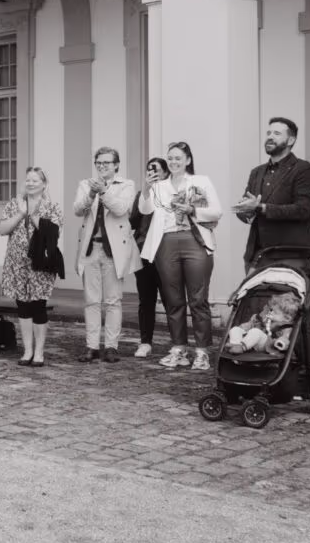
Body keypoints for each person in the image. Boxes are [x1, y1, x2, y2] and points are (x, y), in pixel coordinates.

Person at [233, 116, 310, 377]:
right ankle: (257, 364)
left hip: (293, 254)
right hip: (259, 255)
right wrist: (245, 211)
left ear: (291, 140)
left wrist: (261, 207)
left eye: (277, 133)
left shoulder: (305, 170)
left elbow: (303, 210)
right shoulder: (257, 172)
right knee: (254, 311)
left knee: (298, 314)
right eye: (268, 132)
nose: (270, 137)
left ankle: (307, 370)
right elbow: (249, 212)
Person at [138, 141, 223, 371]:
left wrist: (192, 210)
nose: (174, 162)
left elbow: (216, 211)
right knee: (173, 300)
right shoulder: (159, 186)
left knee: (198, 299)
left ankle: (202, 352)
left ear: (187, 160)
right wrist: (147, 188)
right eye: (171, 158)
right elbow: (145, 210)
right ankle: (179, 349)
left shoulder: (199, 182)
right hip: (166, 242)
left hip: (193, 239)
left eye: (178, 158)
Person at [72, 147, 138, 364]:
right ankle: (91, 346)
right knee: (91, 301)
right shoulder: (85, 184)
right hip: (91, 248)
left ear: (116, 165)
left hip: (113, 250)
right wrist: (92, 193)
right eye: (98, 163)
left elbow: (121, 209)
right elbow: (78, 210)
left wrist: (103, 192)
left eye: (106, 163)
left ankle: (111, 346)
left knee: (113, 301)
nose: (101, 166)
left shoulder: (126, 185)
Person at [0, 166, 64, 367]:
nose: (30, 183)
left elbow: (53, 233)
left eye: (35, 180)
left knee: (38, 306)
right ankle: (27, 351)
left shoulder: (52, 207)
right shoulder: (14, 204)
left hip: (40, 263)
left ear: (44, 184)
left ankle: (39, 353)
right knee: (23, 307)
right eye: (28, 180)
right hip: (16, 263)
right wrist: (20, 213)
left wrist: (33, 216)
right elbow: (2, 229)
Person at [129, 158, 170, 358]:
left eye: (157, 170)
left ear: (166, 173)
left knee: (171, 300)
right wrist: (145, 192)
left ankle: (176, 343)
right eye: (149, 170)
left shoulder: (171, 193)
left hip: (165, 253)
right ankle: (145, 342)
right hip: (143, 253)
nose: (153, 174)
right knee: (146, 300)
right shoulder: (141, 194)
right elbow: (133, 221)